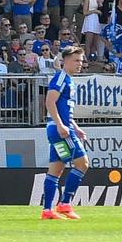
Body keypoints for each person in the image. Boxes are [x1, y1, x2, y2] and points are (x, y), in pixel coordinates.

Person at [41, 45, 89, 221]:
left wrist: (74, 126)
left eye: (81, 61)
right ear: (65, 61)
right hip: (59, 130)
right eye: (76, 61)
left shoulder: (69, 80)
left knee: (56, 169)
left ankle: (47, 210)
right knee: (82, 164)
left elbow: (62, 108)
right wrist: (61, 126)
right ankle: (65, 204)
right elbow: (49, 102)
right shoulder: (61, 78)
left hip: (59, 128)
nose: (79, 64)